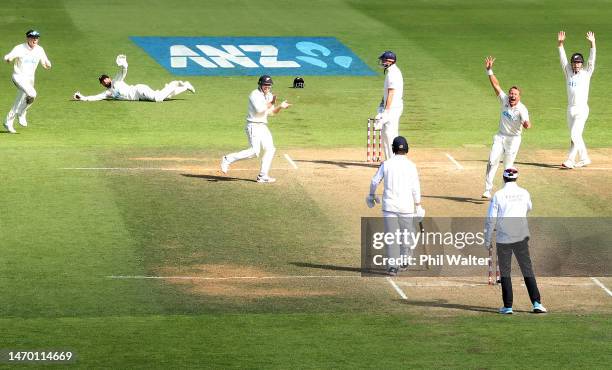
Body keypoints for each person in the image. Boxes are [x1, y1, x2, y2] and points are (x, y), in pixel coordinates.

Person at [484, 167, 547, 315]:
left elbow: (490, 220)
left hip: (504, 237)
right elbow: (529, 208)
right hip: (521, 236)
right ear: (516, 178)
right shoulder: (524, 193)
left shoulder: (498, 195)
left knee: (505, 271)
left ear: (504, 178)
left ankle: (508, 306)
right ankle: (537, 303)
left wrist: (487, 240)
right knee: (527, 269)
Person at [367, 136, 425, 276]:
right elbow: (415, 187)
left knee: (392, 237)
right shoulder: (411, 166)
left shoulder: (386, 164)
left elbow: (375, 182)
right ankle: (405, 259)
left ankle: (393, 267)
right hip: (406, 207)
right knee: (407, 235)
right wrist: (418, 205)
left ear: (393, 149)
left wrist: (371, 195)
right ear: (407, 149)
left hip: (389, 207)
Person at [220, 75, 291, 183]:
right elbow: (259, 110)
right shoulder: (254, 94)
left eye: (269, 85)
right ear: (260, 84)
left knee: (270, 149)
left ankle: (263, 175)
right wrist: (271, 103)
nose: (267, 87)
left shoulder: (270, 95)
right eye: (265, 85)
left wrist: (280, 106)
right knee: (254, 152)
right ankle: (227, 159)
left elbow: (271, 113)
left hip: (263, 126)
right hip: (253, 125)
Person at [482, 56, 531, 199]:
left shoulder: (522, 109)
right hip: (500, 136)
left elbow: (528, 123)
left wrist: (526, 124)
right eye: (511, 93)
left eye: (515, 94)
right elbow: (496, 86)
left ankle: (505, 191)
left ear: (519, 96)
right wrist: (489, 70)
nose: (512, 95)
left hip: (514, 139)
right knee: (492, 161)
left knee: (508, 166)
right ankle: (487, 189)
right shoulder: (504, 100)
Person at [73, 55, 194, 102]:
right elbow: (95, 97)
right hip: (139, 98)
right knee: (166, 97)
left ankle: (172, 84)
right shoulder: (108, 93)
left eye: (105, 79)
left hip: (138, 90)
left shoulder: (117, 80)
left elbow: (124, 71)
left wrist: (123, 63)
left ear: (109, 78)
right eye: (102, 81)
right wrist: (82, 97)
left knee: (158, 98)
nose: (104, 81)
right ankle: (186, 86)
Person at [558, 31, 596, 169]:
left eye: (579, 63)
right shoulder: (568, 72)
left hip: (581, 109)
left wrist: (592, 44)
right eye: (574, 62)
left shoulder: (586, 74)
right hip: (570, 108)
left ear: (582, 64)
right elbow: (562, 59)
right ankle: (581, 158)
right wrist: (560, 44)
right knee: (575, 136)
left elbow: (592, 61)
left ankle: (573, 159)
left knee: (575, 133)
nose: (576, 65)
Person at [3, 29, 52, 134]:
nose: (35, 40)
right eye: (32, 38)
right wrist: (8, 58)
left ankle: (8, 122)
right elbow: (9, 56)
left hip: (29, 80)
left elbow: (45, 62)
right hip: (18, 77)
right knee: (32, 94)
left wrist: (48, 64)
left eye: (36, 38)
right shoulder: (20, 48)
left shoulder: (39, 50)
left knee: (19, 100)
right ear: (27, 38)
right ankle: (21, 113)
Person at [374, 51, 404, 160]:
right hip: (390, 107)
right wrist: (381, 107)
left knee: (390, 134)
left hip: (393, 108)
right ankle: (389, 160)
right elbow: (386, 94)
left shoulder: (393, 74)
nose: (381, 62)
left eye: (383, 60)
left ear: (389, 61)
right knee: (385, 135)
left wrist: (386, 112)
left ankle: (394, 161)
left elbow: (391, 93)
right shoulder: (391, 72)